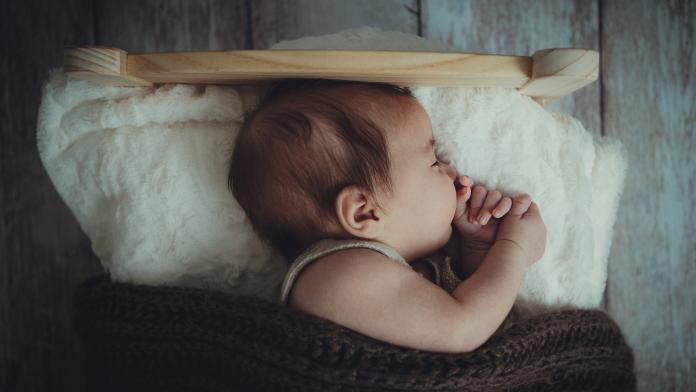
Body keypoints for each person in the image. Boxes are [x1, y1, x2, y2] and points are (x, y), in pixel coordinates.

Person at [228, 78, 547, 353]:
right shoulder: (338, 277)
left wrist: (479, 248)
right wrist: (513, 250)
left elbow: (482, 324)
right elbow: (462, 328)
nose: (452, 171)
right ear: (364, 211)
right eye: (434, 163)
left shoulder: (388, 268)